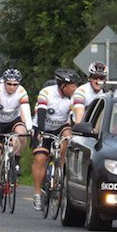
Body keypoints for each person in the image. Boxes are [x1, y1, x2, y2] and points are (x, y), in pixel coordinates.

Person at [31, 69, 80, 211]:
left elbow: (74, 116)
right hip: (43, 127)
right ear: (63, 85)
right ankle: (37, 193)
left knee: (68, 135)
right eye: (72, 85)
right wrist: (40, 131)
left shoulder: (73, 96)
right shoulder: (47, 93)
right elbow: (41, 112)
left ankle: (61, 168)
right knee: (40, 159)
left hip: (61, 126)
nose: (75, 88)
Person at [0, 68, 32, 205]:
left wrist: (30, 128)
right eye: (9, 84)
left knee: (22, 132)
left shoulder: (22, 91)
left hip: (13, 120)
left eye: (15, 84)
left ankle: (16, 161)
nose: (12, 87)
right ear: (4, 82)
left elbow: (26, 110)